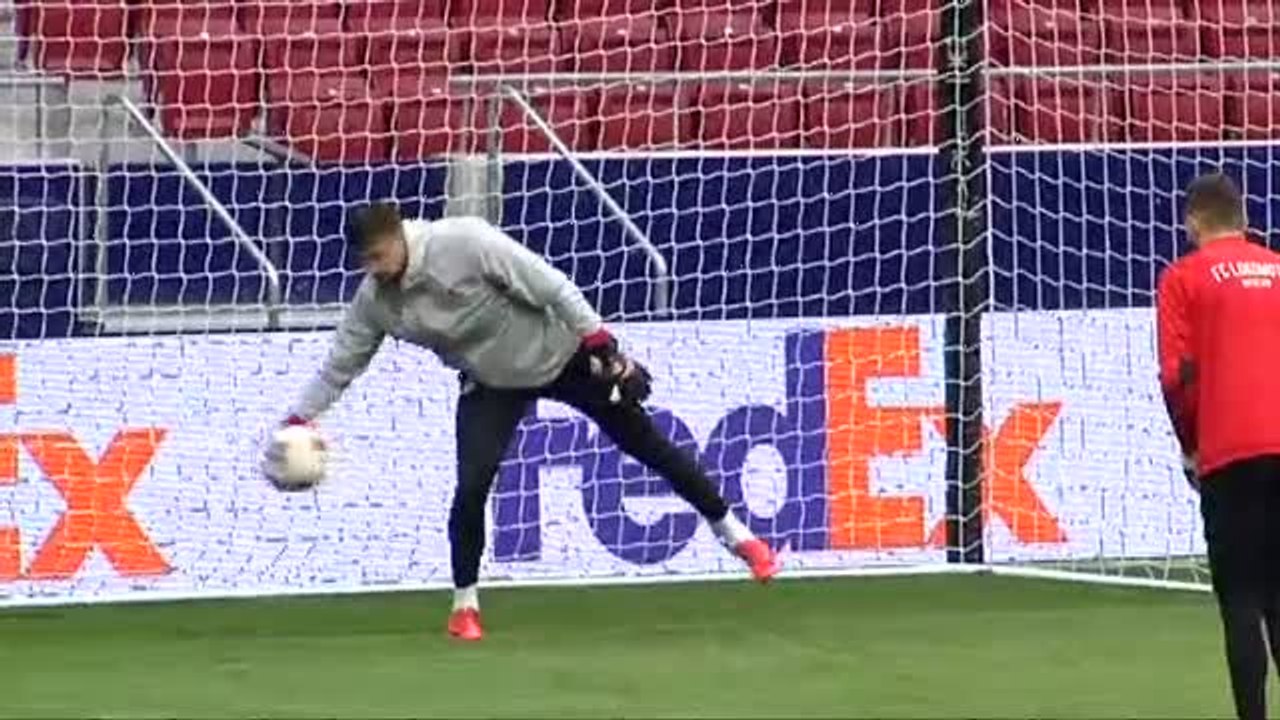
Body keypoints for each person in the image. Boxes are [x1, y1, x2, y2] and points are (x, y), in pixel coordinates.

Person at [269, 202, 778, 642]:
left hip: (561, 355)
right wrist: (298, 417)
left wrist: (600, 341)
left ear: (400, 235)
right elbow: (341, 366)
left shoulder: (464, 241)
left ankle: (736, 535)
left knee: (646, 444)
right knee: (471, 487)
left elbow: (551, 284)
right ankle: (464, 605)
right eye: (366, 261)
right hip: (489, 383)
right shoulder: (374, 302)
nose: (375, 268)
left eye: (379, 255)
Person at [1157, 172, 1280, 719]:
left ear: (1193, 222)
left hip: (1230, 452)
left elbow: (1176, 376)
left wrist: (1191, 444)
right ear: (1245, 221)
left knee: (1241, 602)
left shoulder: (1183, 278)